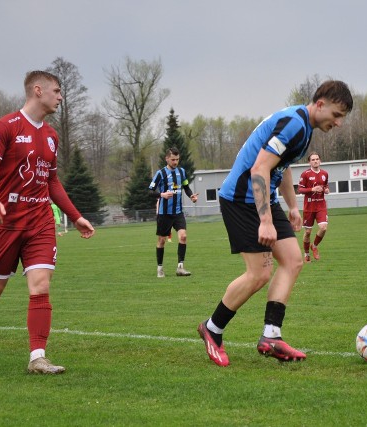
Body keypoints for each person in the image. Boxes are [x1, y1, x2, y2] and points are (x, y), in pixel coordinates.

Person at [197, 80, 353, 366]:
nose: (339, 122)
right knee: (258, 275)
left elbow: (282, 166)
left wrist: (293, 205)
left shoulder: (304, 127)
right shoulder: (295, 122)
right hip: (241, 200)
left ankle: (271, 335)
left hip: (262, 197)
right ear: (320, 105)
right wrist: (266, 221)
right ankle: (212, 329)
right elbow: (259, 168)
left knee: (293, 260)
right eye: (337, 114)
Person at [0, 71, 96, 376]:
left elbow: (53, 182)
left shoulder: (52, 135)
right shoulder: (4, 126)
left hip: (40, 223)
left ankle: (37, 357)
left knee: (41, 285)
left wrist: (76, 216)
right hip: (5, 225)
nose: (60, 96)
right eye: (57, 91)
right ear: (38, 91)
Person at [149, 147, 198, 278]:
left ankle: (180, 268)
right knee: (161, 240)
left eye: (177, 159)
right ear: (167, 159)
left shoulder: (182, 172)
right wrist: (162, 194)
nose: (175, 162)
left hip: (178, 212)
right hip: (164, 213)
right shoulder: (160, 174)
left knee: (183, 236)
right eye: (173, 159)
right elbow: (150, 191)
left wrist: (192, 196)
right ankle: (160, 268)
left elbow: (186, 187)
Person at [298, 152, 329, 262]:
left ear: (320, 161)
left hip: (321, 205)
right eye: (313, 159)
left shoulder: (325, 173)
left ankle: (314, 246)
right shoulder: (305, 174)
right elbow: (300, 189)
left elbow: (325, 186)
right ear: (309, 162)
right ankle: (306, 254)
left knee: (323, 227)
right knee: (307, 233)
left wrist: (326, 190)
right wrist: (312, 189)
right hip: (309, 207)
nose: (315, 161)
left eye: (317, 159)